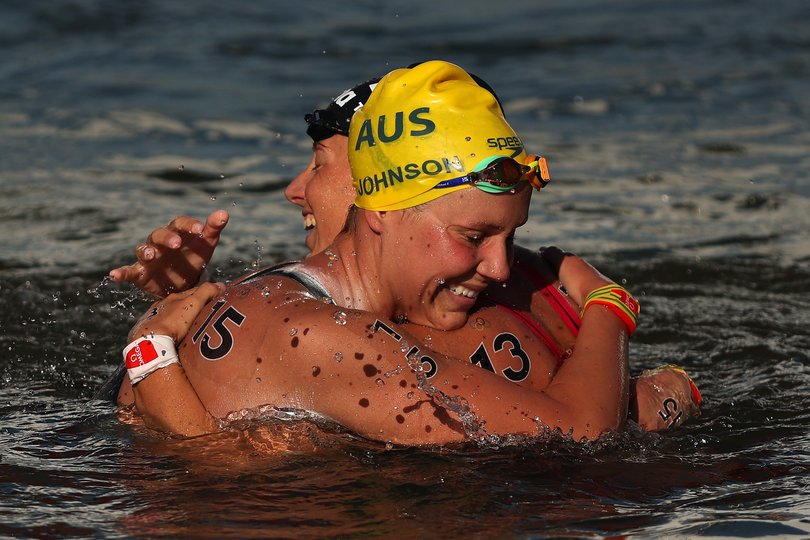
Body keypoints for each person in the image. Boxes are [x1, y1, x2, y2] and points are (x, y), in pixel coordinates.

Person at [110, 62, 700, 437]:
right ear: (383, 210)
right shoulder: (324, 338)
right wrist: (609, 304)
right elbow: (582, 433)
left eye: (509, 235)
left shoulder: (323, 305)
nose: (498, 266)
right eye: (473, 237)